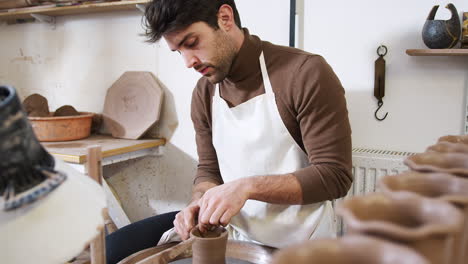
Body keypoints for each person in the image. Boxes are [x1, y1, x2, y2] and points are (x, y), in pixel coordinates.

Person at [106, 0, 352, 262]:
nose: (188, 62)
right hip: (235, 234)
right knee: (113, 250)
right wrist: (198, 203)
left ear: (225, 18)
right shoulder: (204, 92)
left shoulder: (304, 73)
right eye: (178, 51)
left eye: (191, 43)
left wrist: (247, 187)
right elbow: (209, 170)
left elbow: (334, 176)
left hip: (302, 241)